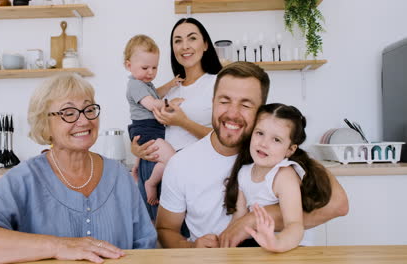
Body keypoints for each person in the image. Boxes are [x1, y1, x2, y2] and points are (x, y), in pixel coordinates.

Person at [0, 74, 157, 263]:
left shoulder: (119, 176)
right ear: (45, 123)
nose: (83, 121)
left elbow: (146, 248)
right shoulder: (23, 179)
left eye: (89, 109)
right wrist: (57, 246)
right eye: (68, 113)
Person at [156, 61, 349, 248]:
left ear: (261, 112)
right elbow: (165, 229)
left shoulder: (277, 153)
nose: (232, 113)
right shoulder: (181, 163)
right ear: (213, 102)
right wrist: (191, 248)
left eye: (246, 105)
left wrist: (252, 220)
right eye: (224, 101)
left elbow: (338, 205)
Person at [130, 17, 222, 220]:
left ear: (205, 44)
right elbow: (147, 124)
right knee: (157, 242)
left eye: (192, 38)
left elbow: (226, 139)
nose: (185, 46)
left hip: (192, 173)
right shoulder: (169, 90)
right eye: (177, 40)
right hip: (154, 168)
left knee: (190, 239)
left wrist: (183, 122)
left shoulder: (218, 84)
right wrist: (136, 149)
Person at [224, 103, 332, 252]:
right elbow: (238, 220)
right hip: (262, 247)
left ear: (290, 150)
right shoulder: (244, 173)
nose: (263, 144)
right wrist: (224, 242)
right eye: (260, 133)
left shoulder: (283, 175)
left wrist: (277, 243)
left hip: (292, 248)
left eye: (276, 140)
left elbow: (294, 225)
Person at [124, 34, 183, 206]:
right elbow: (152, 104)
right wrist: (169, 104)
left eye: (154, 68)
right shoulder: (135, 85)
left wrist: (171, 84)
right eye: (145, 68)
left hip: (150, 129)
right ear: (129, 65)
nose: (150, 72)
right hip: (146, 129)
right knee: (171, 158)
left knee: (151, 154)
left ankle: (137, 168)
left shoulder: (144, 84)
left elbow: (156, 93)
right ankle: (152, 182)